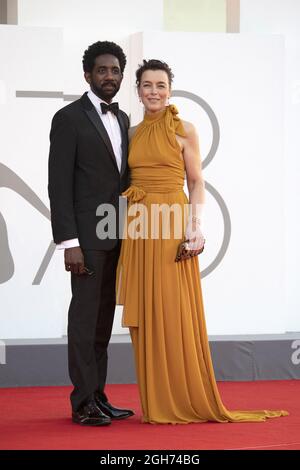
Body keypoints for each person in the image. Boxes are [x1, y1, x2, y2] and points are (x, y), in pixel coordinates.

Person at [116, 59, 288, 424]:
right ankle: (156, 398)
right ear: (138, 90)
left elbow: (196, 182)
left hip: (172, 223)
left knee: (172, 308)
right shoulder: (129, 134)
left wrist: (195, 226)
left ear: (170, 89)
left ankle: (182, 395)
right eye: (147, 85)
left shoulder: (185, 130)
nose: (154, 91)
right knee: (146, 312)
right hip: (141, 225)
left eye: (160, 85)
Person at [48, 41, 134, 426]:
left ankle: (98, 396)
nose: (109, 77)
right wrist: (70, 243)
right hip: (85, 241)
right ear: (87, 75)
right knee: (84, 322)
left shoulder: (124, 119)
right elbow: (58, 184)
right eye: (102, 70)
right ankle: (82, 402)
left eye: (115, 71)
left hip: (116, 236)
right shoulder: (68, 118)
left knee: (102, 324)